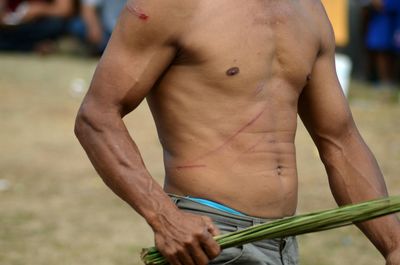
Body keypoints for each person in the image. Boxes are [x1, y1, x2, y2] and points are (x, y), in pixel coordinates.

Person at [74, 0, 400, 264]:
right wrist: (164, 217)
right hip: (211, 237)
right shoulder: (171, 5)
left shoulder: (308, 10)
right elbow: (96, 117)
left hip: (284, 238)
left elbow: (340, 140)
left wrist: (393, 243)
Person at [0, 0, 74, 52]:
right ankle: (34, 46)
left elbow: (64, 10)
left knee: (57, 25)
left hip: (40, 24)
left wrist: (39, 10)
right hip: (13, 26)